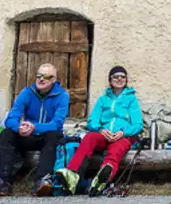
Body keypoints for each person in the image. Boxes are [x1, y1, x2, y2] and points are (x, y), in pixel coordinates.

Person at [55, 66, 143, 196]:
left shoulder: (131, 99)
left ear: (126, 80)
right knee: (90, 138)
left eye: (122, 76)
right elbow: (92, 121)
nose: (119, 79)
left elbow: (138, 124)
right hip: (104, 134)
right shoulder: (103, 99)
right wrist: (101, 130)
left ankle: (101, 180)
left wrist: (123, 133)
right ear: (110, 80)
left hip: (122, 136)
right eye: (115, 76)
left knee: (116, 150)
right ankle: (72, 175)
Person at [0, 63, 69, 196]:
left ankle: (43, 180)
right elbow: (11, 118)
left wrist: (35, 127)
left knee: (53, 135)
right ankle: (3, 181)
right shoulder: (27, 92)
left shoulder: (62, 95)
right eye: (38, 75)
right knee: (7, 133)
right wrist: (18, 127)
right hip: (27, 135)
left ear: (54, 80)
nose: (41, 79)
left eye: (46, 76)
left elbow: (57, 123)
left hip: (45, 137)